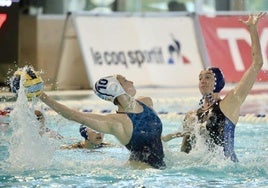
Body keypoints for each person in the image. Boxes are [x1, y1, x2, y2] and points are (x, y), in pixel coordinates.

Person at [23, 74, 166, 169]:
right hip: (142, 173)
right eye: (125, 80)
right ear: (115, 88)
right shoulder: (117, 123)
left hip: (161, 168)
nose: (131, 81)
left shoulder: (147, 102)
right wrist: (42, 95)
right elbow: (74, 115)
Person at [178, 13, 265, 162]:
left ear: (218, 81)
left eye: (208, 77)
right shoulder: (191, 116)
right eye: (200, 78)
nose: (202, 81)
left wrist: (252, 29)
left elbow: (257, 63)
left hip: (227, 170)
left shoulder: (229, 104)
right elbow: (184, 155)